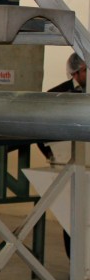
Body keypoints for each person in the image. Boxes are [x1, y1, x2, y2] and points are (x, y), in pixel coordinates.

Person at [37, 52, 86, 258]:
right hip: (67, 165)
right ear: (77, 72)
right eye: (86, 70)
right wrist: (50, 154)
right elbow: (40, 130)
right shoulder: (56, 95)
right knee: (71, 214)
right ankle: (74, 260)